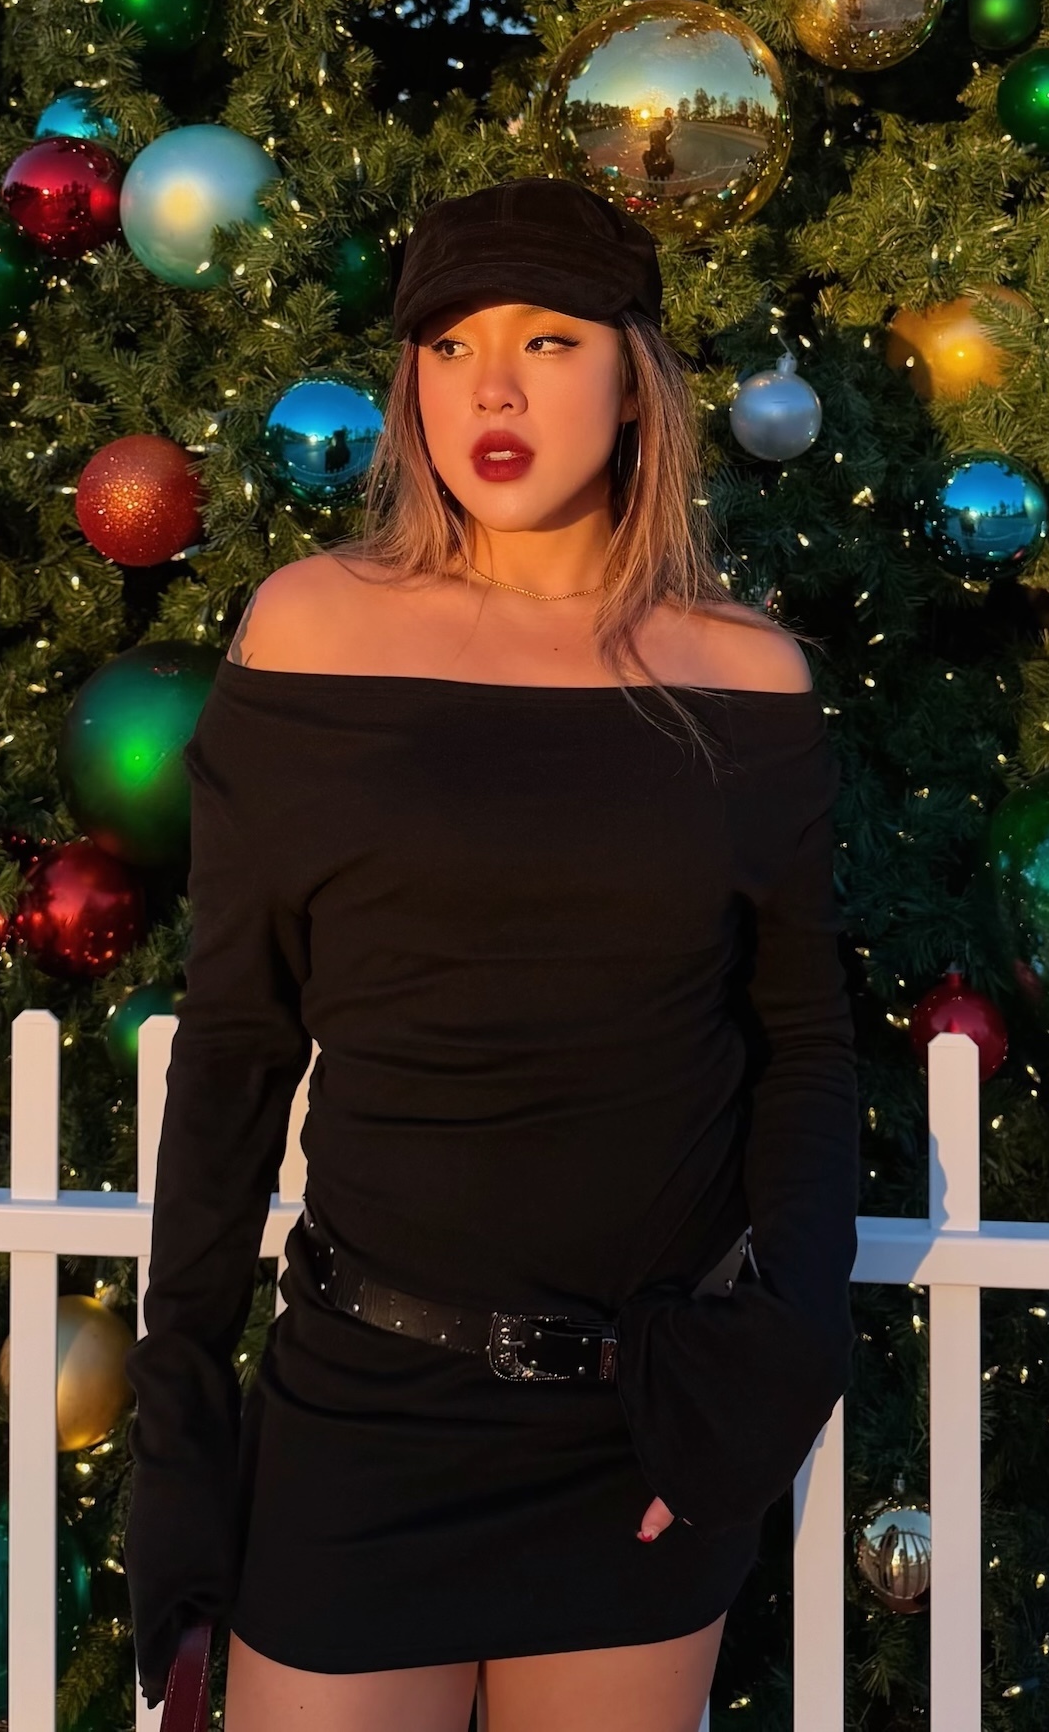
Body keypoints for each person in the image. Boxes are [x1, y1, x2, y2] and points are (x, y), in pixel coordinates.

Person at [123, 177, 859, 1732]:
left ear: (634, 380)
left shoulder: (744, 680)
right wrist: (179, 1440)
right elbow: (237, 1043)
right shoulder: (311, 632)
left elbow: (801, 1042)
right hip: (362, 1415)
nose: (493, 390)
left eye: (547, 340)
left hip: (637, 1436)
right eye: (451, 347)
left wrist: (776, 1363)